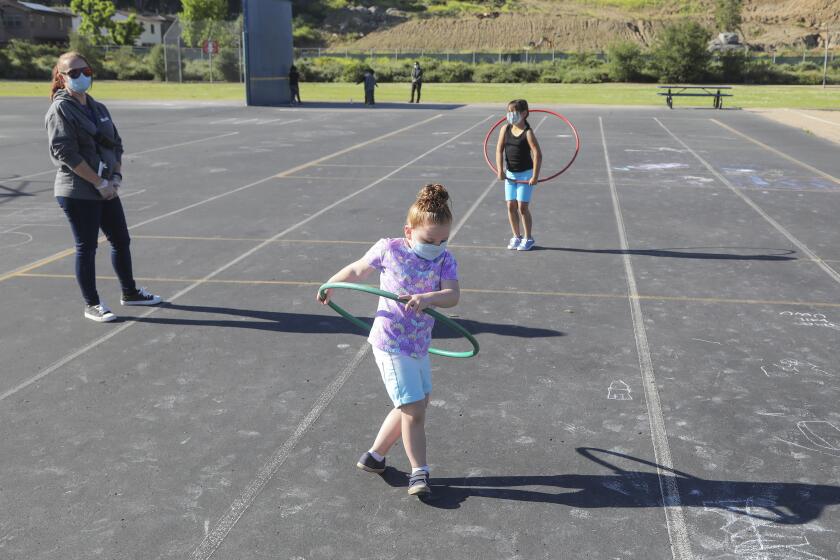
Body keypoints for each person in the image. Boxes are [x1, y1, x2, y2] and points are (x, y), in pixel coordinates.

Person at [317, 184, 460, 497]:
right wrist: (331, 284)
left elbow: (452, 296)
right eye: (428, 240)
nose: (436, 246)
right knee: (413, 409)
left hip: (419, 343)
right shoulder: (389, 249)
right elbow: (358, 270)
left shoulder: (445, 259)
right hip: (391, 342)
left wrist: (428, 297)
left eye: (442, 240)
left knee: (418, 403)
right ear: (408, 232)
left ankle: (375, 457)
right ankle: (419, 472)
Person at [45, 51, 161, 323]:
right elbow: (66, 153)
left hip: (107, 186)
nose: (82, 77)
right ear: (61, 78)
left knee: (121, 240)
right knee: (86, 247)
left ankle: (130, 292)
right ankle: (92, 304)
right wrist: (98, 182)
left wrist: (115, 179)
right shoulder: (60, 109)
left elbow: (116, 144)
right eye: (74, 73)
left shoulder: (98, 108)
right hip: (78, 190)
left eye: (86, 72)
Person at [495, 98, 542, 251]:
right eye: (508, 112)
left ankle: (528, 238)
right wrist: (500, 170)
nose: (510, 115)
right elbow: (499, 150)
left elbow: (537, 154)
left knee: (522, 207)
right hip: (510, 175)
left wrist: (534, 176)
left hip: (525, 175)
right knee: (510, 205)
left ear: (524, 113)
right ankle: (516, 236)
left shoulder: (527, 133)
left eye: (513, 112)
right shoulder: (505, 129)